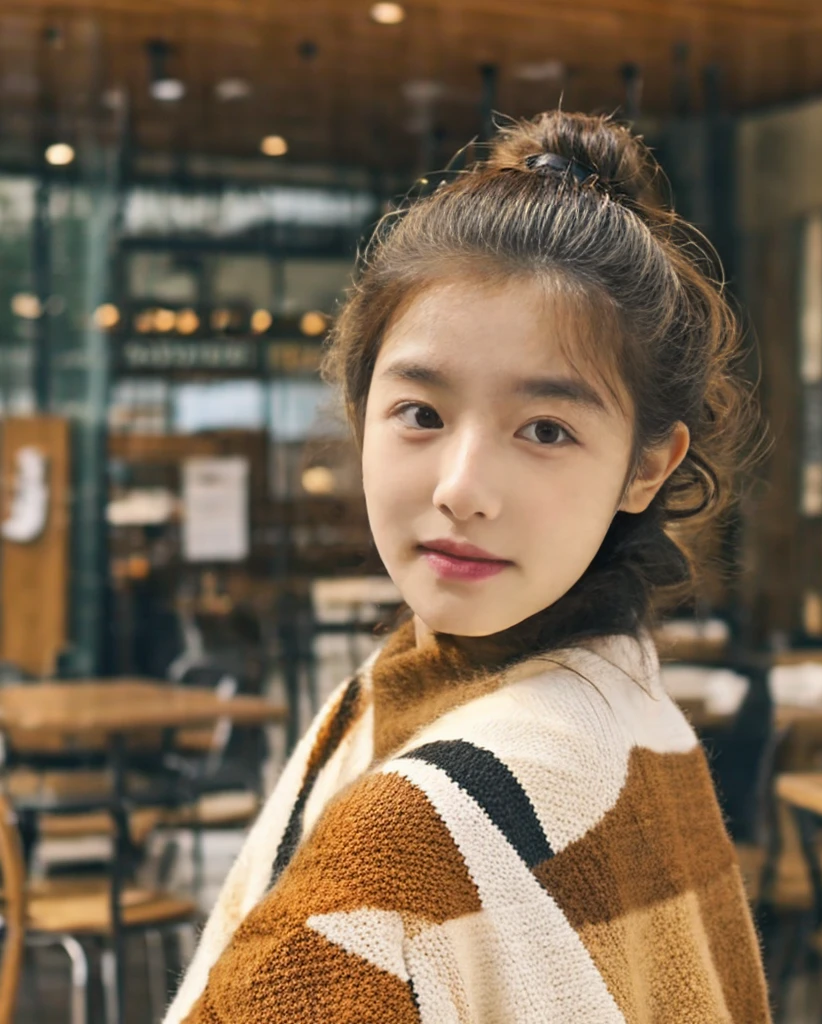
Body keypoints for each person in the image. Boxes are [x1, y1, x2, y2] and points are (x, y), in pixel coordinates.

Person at [164, 110, 770, 1023]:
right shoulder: (636, 717)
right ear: (360, 409)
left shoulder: (419, 831)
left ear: (649, 464)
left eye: (545, 429)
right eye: (421, 413)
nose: (462, 489)